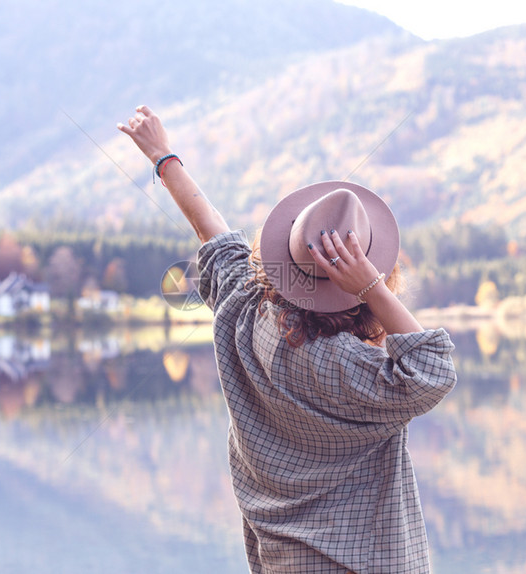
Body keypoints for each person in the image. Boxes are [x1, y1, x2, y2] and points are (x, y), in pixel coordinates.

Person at [119, 106, 457, 574]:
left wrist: (162, 156)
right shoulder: (355, 371)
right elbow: (434, 369)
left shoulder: (245, 309)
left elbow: (211, 231)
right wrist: (372, 288)